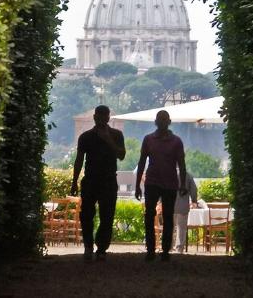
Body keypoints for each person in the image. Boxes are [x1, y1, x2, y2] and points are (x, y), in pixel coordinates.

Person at [70, 105, 126, 262]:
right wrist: (74, 182)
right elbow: (79, 160)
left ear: (108, 118)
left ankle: (99, 248)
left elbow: (121, 155)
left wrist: (109, 141)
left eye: (104, 116)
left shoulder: (114, 135)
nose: (102, 119)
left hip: (105, 180)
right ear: (95, 117)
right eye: (100, 116)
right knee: (87, 215)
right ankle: (91, 246)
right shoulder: (86, 137)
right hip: (94, 180)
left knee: (106, 216)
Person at [135, 110, 187, 262]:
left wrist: (138, 184)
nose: (162, 122)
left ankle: (160, 250)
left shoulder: (151, 139)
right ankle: (157, 250)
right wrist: (182, 184)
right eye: (161, 119)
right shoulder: (173, 141)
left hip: (163, 183)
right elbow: (142, 162)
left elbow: (142, 162)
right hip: (160, 182)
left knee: (162, 216)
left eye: (163, 120)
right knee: (158, 216)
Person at [173, 169, 198, 254]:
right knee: (181, 228)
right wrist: (194, 201)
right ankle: (179, 249)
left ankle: (167, 247)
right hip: (183, 205)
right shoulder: (188, 175)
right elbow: (194, 189)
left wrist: (160, 201)